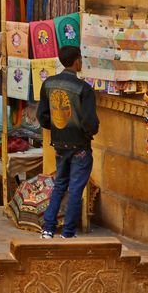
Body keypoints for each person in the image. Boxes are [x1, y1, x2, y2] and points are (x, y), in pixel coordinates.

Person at [38, 44, 99, 240]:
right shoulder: (83, 88)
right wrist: (89, 132)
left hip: (59, 144)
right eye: (80, 59)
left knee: (60, 185)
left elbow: (43, 116)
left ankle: (48, 229)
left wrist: (58, 129)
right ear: (76, 61)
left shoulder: (48, 83)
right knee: (75, 190)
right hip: (80, 145)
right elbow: (90, 122)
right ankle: (68, 232)